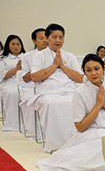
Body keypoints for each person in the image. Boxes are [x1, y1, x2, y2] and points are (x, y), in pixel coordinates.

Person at [37, 54, 105, 171]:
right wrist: (98, 105)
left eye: (97, 69)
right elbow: (80, 127)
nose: (93, 73)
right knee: (97, 149)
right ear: (84, 73)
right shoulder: (79, 93)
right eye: (88, 70)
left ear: (103, 69)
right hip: (89, 133)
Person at [28, 23, 84, 152]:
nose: (58, 40)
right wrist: (54, 66)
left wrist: (63, 66)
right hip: (48, 92)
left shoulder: (69, 56)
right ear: (47, 38)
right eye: (54, 37)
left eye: (61, 37)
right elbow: (35, 77)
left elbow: (80, 78)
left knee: (78, 102)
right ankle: (55, 145)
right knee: (52, 104)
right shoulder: (39, 56)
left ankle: (76, 142)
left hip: (69, 91)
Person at [17, 28, 48, 135]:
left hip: (49, 86)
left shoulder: (54, 55)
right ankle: (37, 132)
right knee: (32, 100)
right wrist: (37, 70)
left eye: (46, 37)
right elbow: (25, 78)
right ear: (34, 41)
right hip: (30, 86)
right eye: (41, 38)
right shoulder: (27, 56)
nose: (45, 40)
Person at [0, 35, 26, 131]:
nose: (16, 46)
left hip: (24, 81)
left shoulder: (26, 56)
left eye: (18, 44)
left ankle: (28, 123)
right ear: (8, 45)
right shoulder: (3, 58)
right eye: (13, 44)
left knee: (28, 93)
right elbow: (2, 76)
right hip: (9, 82)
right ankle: (13, 124)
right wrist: (16, 69)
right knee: (13, 93)